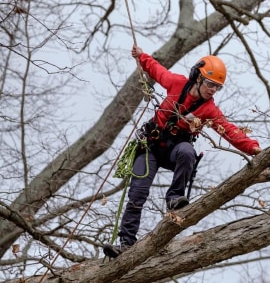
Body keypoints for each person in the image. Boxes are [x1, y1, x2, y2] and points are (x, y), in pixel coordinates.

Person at [103, 45, 261, 258]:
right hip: (149, 147)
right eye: (210, 84)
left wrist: (252, 147)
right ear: (197, 77)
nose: (213, 90)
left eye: (217, 87)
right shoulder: (176, 84)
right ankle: (126, 243)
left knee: (188, 151)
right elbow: (157, 70)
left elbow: (229, 131)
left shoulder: (210, 110)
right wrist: (141, 56)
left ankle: (175, 197)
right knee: (137, 194)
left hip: (174, 151)